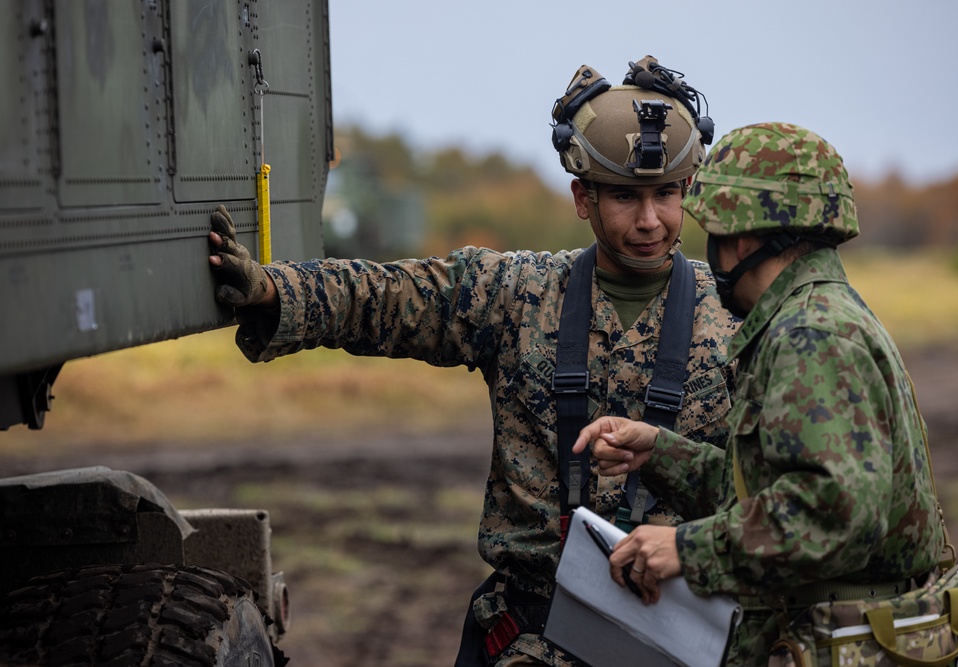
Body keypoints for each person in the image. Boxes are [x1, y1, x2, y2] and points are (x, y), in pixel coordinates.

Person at [207, 56, 740, 666]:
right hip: (533, 640)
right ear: (581, 198)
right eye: (624, 197)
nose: (650, 221)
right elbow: (384, 297)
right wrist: (274, 290)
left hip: (682, 634)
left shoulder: (736, 316)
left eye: (665, 194)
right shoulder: (517, 294)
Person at [572, 122, 946, 665]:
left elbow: (834, 515)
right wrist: (658, 452)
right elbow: (772, 490)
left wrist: (685, 548)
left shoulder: (810, 334)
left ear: (741, 238)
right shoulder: (822, 314)